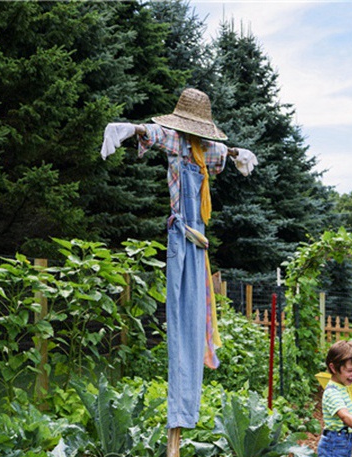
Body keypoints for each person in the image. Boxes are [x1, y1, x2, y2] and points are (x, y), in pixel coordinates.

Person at [100, 88, 256, 430]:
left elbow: (222, 153)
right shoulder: (174, 142)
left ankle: (188, 407)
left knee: (196, 317)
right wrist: (128, 129)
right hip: (181, 236)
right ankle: (179, 409)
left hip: (198, 239)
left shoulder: (206, 152)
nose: (192, 136)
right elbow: (155, 134)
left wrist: (238, 154)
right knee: (181, 318)